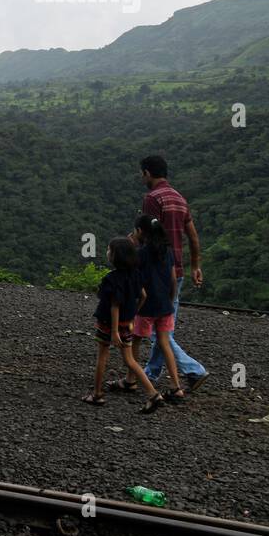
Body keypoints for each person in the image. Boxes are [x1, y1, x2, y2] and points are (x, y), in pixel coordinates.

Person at [138, 155, 209, 393]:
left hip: (157, 272)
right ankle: (152, 373)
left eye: (142, 173)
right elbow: (193, 236)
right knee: (164, 323)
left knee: (160, 329)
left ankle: (194, 370)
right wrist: (195, 265)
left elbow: (146, 235)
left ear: (147, 173)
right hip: (176, 271)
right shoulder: (179, 198)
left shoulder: (152, 198)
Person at [84, 237, 164, 413]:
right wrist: (132, 315)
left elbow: (114, 306)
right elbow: (143, 296)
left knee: (102, 356)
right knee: (130, 360)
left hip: (108, 325)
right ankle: (153, 393)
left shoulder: (111, 279)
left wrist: (113, 331)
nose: (106, 252)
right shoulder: (136, 274)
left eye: (108, 250)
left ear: (115, 256)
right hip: (126, 324)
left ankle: (97, 394)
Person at [122, 214, 186, 403]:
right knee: (164, 343)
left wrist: (130, 246)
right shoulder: (167, 251)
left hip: (146, 308)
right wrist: (170, 302)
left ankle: (130, 380)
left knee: (135, 342)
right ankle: (176, 388)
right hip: (165, 307)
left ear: (140, 232)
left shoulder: (141, 254)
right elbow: (173, 280)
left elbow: (133, 279)